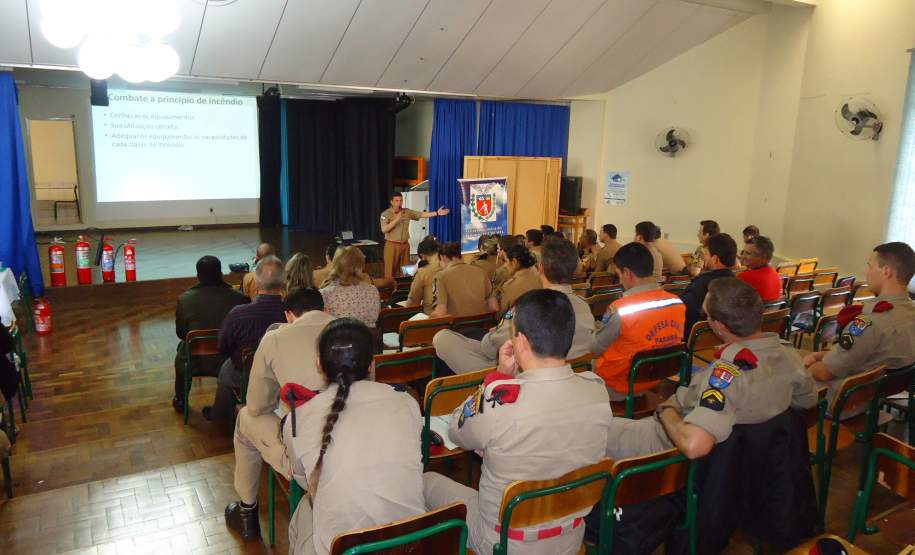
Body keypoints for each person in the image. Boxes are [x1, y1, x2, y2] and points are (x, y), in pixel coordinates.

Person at [424, 289, 612, 555]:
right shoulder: (596, 391)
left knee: (427, 482)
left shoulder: (500, 400)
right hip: (569, 537)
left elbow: (457, 431)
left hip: (503, 543)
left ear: (520, 341)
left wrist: (498, 377)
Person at [606, 278, 817, 460]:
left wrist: (665, 411)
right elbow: (807, 402)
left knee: (598, 429)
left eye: (707, 315)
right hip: (744, 457)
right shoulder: (791, 356)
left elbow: (694, 445)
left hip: (669, 443)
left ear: (719, 326)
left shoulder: (727, 376)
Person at [283, 318, 426, 555]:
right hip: (409, 544)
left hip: (344, 547)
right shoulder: (407, 401)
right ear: (371, 365)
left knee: (302, 514)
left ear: (319, 365)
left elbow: (305, 481)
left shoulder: (297, 420)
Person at [224, 287, 335, 541]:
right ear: (325, 309)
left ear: (288, 315)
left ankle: (246, 511)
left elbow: (256, 405)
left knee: (246, 418)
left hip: (311, 460)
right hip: (353, 442)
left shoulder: (275, 339)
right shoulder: (351, 331)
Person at [434, 236, 595, 375]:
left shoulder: (531, 305)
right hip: (571, 373)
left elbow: (490, 348)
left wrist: (495, 333)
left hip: (520, 376)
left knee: (442, 338)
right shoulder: (584, 306)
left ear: (541, 269)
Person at [804, 242, 915, 403]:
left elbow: (825, 372)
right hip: (878, 396)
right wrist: (820, 355)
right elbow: (861, 355)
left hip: (844, 402)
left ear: (886, 271)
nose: (866, 272)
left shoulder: (870, 322)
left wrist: (804, 367)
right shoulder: (910, 312)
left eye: (870, 267)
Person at [590, 243, 686, 400]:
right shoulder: (677, 302)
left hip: (618, 386)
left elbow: (595, 349)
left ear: (627, 273)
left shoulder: (621, 309)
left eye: (619, 274)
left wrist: (596, 330)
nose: (620, 281)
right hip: (655, 379)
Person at [207, 256, 288, 421]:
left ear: (256, 282)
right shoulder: (293, 312)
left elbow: (222, 347)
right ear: (283, 282)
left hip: (245, 373)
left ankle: (221, 415)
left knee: (225, 370)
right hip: (284, 373)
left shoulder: (238, 313)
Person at [173, 255, 248, 412]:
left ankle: (180, 400)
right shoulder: (239, 298)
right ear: (221, 274)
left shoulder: (185, 299)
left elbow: (181, 333)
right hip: (231, 360)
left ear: (198, 276)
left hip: (196, 362)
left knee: (182, 348)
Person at [679, 233, 737, 340]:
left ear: (714, 259)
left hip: (693, 342)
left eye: (706, 254)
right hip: (723, 340)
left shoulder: (700, 285)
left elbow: (682, 312)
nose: (704, 257)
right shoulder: (737, 283)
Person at [380, 192, 450, 278]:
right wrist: (397, 219)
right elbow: (384, 229)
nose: (399, 203)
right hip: (392, 245)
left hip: (405, 245)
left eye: (401, 200)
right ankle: (389, 289)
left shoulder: (407, 212)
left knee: (405, 270)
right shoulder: (386, 214)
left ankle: (403, 288)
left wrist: (437, 213)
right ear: (392, 202)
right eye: (397, 201)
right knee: (390, 270)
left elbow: (421, 214)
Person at [319, 246, 380, 328]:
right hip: (369, 339)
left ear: (335, 264)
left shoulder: (324, 294)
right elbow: (375, 318)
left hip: (338, 339)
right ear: (360, 265)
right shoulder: (372, 290)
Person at [429, 242, 492, 318]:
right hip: (482, 326)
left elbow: (440, 311)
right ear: (460, 256)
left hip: (455, 327)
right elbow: (494, 307)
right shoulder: (481, 272)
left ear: (443, 258)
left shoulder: (441, 276)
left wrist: (426, 321)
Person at [488, 245, 540, 316]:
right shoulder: (536, 272)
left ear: (514, 262)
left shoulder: (512, 285)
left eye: (506, 261)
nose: (504, 266)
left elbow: (500, 314)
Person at [737, 236, 782, 302]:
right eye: (743, 252)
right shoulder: (776, 275)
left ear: (762, 257)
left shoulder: (744, 277)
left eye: (748, 253)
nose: (743, 256)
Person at [404, 238, 442, 314]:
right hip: (457, 319)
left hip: (434, 319)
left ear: (422, 256)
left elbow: (412, 304)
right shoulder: (455, 268)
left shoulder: (423, 273)